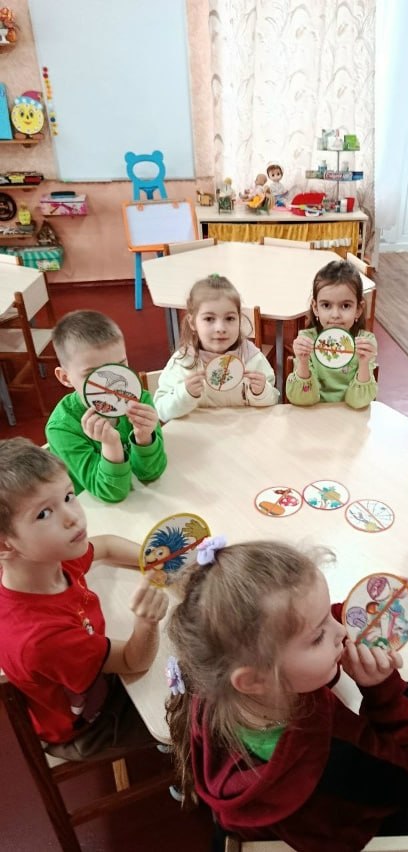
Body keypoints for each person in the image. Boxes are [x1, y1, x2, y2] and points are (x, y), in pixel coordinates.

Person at [166, 538, 408, 852]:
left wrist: (365, 612)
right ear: (255, 679)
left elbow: (287, 636)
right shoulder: (333, 758)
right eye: (319, 634)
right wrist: (383, 691)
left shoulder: (211, 686)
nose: (341, 631)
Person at [0, 438, 169, 759]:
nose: (73, 518)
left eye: (68, 496)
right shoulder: (42, 638)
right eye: (44, 513)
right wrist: (147, 622)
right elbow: (134, 661)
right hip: (88, 726)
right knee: (200, 707)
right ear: (4, 545)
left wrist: (158, 560)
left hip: (90, 673)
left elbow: (105, 545)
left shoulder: (46, 558)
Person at [46, 310, 167, 504]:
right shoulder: (62, 428)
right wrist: (111, 445)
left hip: (143, 500)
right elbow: (111, 492)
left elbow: (151, 473)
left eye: (120, 365)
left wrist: (144, 438)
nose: (110, 386)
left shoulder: (139, 399)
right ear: (65, 377)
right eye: (92, 374)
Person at [153, 275, 279, 421]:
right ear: (192, 322)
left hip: (243, 431)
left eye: (229, 318)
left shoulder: (252, 358)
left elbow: (273, 399)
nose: (220, 328)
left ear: (239, 320)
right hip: (199, 433)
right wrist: (184, 394)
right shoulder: (183, 362)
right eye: (209, 319)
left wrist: (261, 392)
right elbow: (161, 410)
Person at [286, 259, 377, 408]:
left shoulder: (365, 342)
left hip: (350, 417)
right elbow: (301, 400)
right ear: (316, 308)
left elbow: (358, 402)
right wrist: (303, 362)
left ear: (358, 309)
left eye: (345, 306)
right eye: (326, 305)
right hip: (313, 414)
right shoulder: (307, 340)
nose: (335, 315)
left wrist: (364, 363)